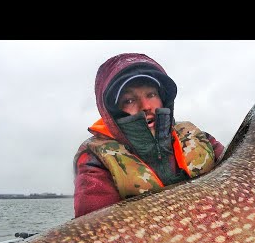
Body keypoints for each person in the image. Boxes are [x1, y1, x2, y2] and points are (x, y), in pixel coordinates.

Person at [73, 53, 225, 217]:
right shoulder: (96, 161)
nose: (145, 106)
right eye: (129, 100)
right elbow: (97, 234)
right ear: (114, 112)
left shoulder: (201, 139)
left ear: (163, 98)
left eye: (151, 95)